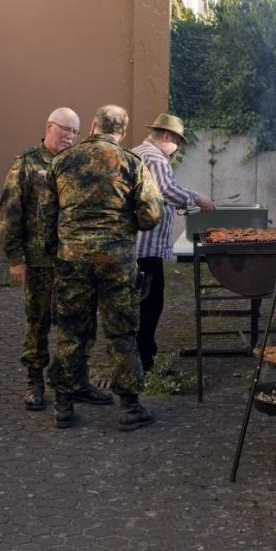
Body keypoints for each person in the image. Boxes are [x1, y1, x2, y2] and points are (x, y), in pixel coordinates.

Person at [39, 104, 163, 430]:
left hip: (73, 260)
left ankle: (63, 407)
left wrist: (58, 250)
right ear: (121, 131)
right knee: (122, 332)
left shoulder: (62, 161)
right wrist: (125, 225)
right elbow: (151, 214)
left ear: (93, 126)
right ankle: (130, 408)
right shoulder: (131, 163)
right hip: (116, 262)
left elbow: (46, 215)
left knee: (70, 330)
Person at [0, 107, 112, 411]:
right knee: (38, 323)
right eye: (65, 129)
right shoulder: (26, 164)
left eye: (75, 132)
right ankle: (35, 383)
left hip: (74, 262)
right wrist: (15, 258)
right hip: (38, 262)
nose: (70, 136)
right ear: (49, 126)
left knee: (80, 324)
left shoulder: (74, 163)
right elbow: (11, 212)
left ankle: (78, 382)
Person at [132, 113, 215, 371]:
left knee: (142, 304)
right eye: (177, 142)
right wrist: (196, 198)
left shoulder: (137, 152)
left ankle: (141, 358)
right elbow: (165, 190)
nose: (177, 149)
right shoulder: (155, 157)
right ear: (166, 137)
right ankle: (144, 363)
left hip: (136, 246)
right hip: (147, 247)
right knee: (150, 305)